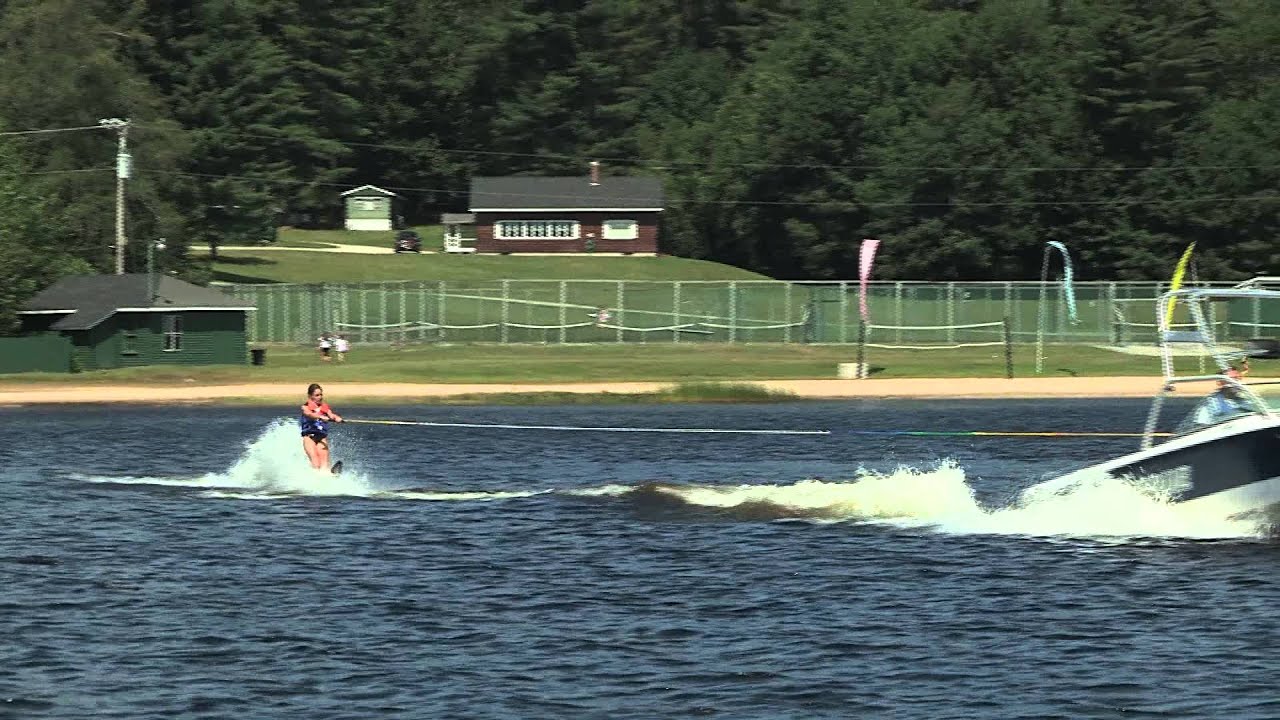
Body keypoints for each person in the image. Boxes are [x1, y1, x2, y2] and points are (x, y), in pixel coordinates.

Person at [300, 383, 343, 470]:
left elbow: (331, 415)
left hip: (321, 437)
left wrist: (337, 418)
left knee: (324, 464)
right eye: (317, 395)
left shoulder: (325, 407)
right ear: (310, 396)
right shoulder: (305, 407)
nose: (320, 397)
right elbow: (309, 414)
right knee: (316, 463)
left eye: (321, 395)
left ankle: (327, 476)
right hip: (309, 437)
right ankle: (315, 476)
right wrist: (320, 416)